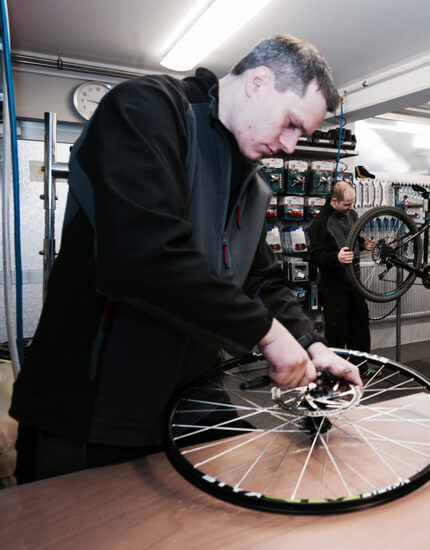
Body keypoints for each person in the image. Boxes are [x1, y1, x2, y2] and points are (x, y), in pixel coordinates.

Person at [10, 35, 362, 483]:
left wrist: (312, 343)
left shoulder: (252, 185)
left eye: (302, 134)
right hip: (89, 409)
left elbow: (261, 281)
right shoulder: (147, 111)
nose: (292, 145)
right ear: (258, 81)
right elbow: (142, 254)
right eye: (291, 123)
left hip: (188, 401)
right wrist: (266, 335)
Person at [309, 181, 374, 351]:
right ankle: (336, 373)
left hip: (355, 283)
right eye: (346, 204)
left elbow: (351, 240)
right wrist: (335, 257)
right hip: (334, 288)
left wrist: (362, 244)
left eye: (352, 203)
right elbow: (315, 256)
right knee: (337, 333)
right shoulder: (320, 223)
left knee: (360, 328)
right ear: (333, 201)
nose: (350, 207)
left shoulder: (352, 215)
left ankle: (361, 368)